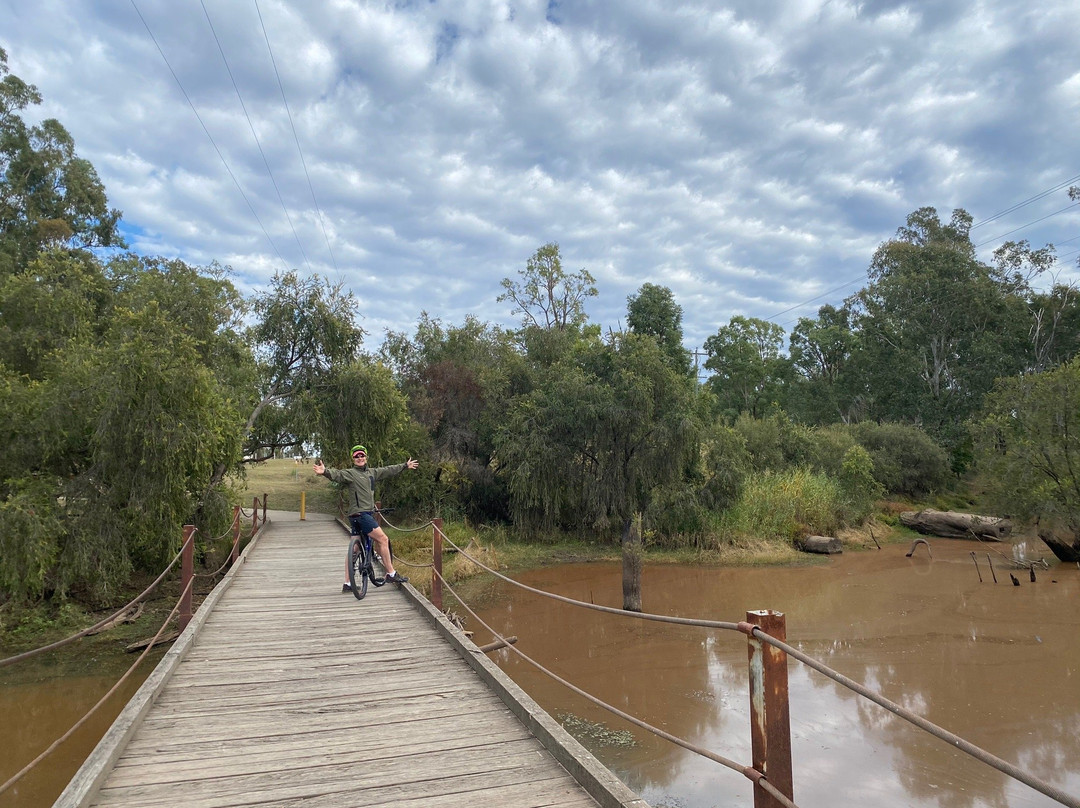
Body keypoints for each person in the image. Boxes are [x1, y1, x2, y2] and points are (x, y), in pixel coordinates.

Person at [313, 445, 418, 591]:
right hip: (362, 515)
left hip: (356, 516)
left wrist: (404, 466)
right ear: (353, 459)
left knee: (354, 548)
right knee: (383, 539)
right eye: (356, 456)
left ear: (366, 457)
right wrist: (325, 472)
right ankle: (391, 573)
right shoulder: (351, 473)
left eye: (362, 455)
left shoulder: (372, 473)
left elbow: (388, 470)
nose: (359, 458)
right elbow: (337, 474)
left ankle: (348, 583)